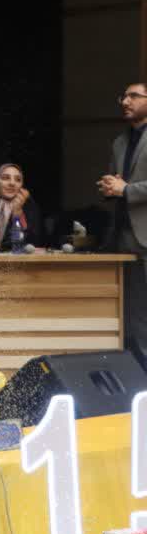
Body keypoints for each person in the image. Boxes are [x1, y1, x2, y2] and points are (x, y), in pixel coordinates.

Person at [98, 81, 147, 353]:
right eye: (124, 97)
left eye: (134, 96)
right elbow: (117, 183)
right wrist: (110, 187)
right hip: (122, 237)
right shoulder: (119, 142)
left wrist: (126, 189)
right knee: (126, 313)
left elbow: (126, 188)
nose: (126, 102)